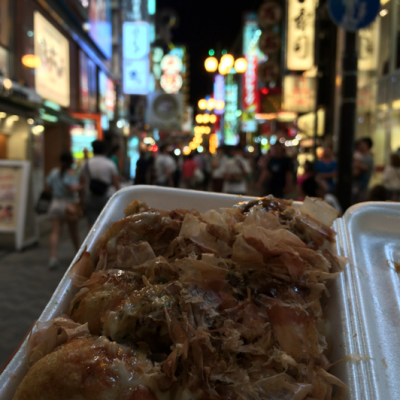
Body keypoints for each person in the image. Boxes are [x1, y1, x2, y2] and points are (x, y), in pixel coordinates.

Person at [46, 152, 81, 269]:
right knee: (73, 232)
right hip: (68, 204)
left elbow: (48, 187)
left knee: (55, 232)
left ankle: (53, 258)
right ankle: (79, 256)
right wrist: (82, 186)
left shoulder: (53, 172)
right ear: (71, 161)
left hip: (55, 203)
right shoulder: (71, 173)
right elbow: (71, 187)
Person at [80, 140, 121, 228]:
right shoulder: (110, 164)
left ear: (93, 149)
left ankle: (91, 241)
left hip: (90, 196)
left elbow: (82, 183)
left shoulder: (86, 163)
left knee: (91, 225)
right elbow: (116, 184)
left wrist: (81, 200)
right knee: (105, 224)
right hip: (106, 196)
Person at [353, 137, 374, 203]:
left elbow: (357, 172)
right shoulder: (359, 156)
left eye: (362, 145)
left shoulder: (368, 158)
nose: (361, 147)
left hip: (361, 188)